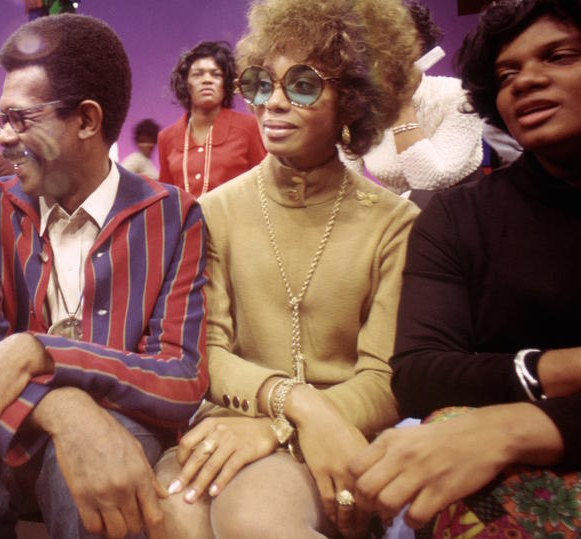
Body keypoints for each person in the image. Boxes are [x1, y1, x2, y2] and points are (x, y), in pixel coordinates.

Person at [0, 14, 209, 539]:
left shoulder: (174, 215)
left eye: (21, 119)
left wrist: (38, 353)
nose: (1, 136)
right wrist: (62, 405)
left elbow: (179, 380)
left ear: (87, 120)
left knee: (84, 475)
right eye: (1, 117)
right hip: (16, 416)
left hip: (124, 419)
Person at [153, 0, 421, 537]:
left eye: (301, 86)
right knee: (173, 509)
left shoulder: (396, 222)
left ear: (351, 100)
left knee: (253, 517)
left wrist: (282, 429)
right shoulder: (214, 211)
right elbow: (206, 350)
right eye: (259, 83)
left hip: (342, 430)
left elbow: (385, 376)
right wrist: (290, 403)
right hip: (230, 420)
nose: (272, 103)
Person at [349, 1, 581, 536]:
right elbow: (420, 374)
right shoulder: (461, 220)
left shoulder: (450, 98)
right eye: (507, 73)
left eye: (559, 56)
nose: (527, 81)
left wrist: (530, 422)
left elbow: (433, 172)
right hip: (417, 228)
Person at [344, 0, 483, 196]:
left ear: (421, 45)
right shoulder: (360, 106)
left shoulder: (457, 95)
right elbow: (346, 183)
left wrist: (401, 102)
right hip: (397, 217)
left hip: (458, 211)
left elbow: (428, 182)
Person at [158, 41, 266, 197]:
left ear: (226, 83)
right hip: (184, 222)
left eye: (216, 74)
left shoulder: (249, 127)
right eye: (198, 74)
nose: (207, 80)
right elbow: (166, 201)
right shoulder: (166, 138)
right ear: (185, 83)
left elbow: (263, 187)